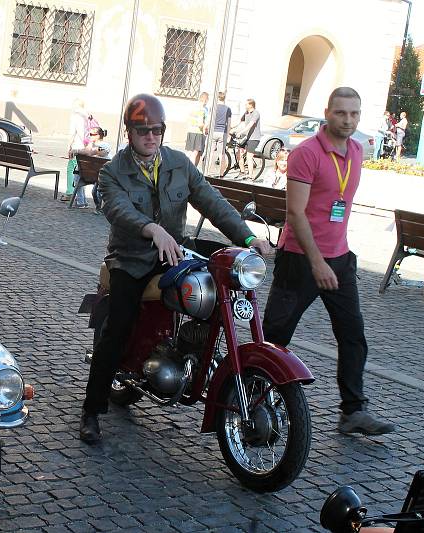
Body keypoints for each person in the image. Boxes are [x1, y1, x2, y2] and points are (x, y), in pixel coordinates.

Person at [79, 93, 272, 444]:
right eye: (142, 131)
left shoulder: (179, 164)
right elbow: (117, 209)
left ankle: (192, 355)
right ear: (129, 132)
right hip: (131, 258)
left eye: (156, 130)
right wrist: (151, 229)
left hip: (174, 254)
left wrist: (246, 238)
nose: (150, 137)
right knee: (117, 327)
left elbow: (211, 201)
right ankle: (92, 410)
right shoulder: (113, 172)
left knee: (214, 290)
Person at [262, 87, 395, 437]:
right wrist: (317, 262)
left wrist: (335, 258)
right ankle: (252, 401)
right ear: (327, 112)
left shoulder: (356, 150)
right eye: (340, 113)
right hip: (300, 260)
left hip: (340, 259)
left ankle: (352, 411)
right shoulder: (305, 153)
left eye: (354, 114)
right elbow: (295, 213)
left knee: (353, 336)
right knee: (275, 337)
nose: (347, 120)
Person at [61, 99, 90, 207]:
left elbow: (72, 133)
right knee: (83, 173)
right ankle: (81, 198)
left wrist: (69, 147)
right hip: (87, 149)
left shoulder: (76, 116)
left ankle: (70, 192)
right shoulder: (88, 116)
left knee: (72, 170)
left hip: (77, 148)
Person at [235, 99, 261, 180]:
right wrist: (231, 128)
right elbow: (239, 122)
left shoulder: (256, 113)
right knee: (238, 153)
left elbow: (250, 125)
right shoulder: (246, 113)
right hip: (246, 137)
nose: (245, 106)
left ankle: (251, 176)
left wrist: (241, 132)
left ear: (251, 105)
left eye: (246, 104)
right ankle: (242, 172)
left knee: (249, 156)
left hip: (254, 138)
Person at [210, 91, 232, 176]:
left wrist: (207, 128)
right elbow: (229, 123)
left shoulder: (214, 107)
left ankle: (208, 171)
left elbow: (210, 119)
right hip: (222, 132)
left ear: (217, 98)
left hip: (213, 131)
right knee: (221, 153)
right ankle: (221, 173)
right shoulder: (228, 109)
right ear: (224, 98)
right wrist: (228, 134)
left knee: (211, 152)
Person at [185, 91, 209, 166]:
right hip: (198, 132)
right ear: (206, 99)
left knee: (189, 152)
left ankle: (184, 166)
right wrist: (205, 127)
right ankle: (191, 170)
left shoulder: (193, 107)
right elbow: (200, 124)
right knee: (195, 153)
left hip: (190, 131)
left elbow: (188, 119)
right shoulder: (202, 109)